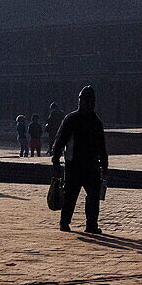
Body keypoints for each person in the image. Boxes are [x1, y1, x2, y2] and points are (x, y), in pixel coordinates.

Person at [52, 85, 108, 235]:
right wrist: (56, 158)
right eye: (88, 101)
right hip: (74, 164)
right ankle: (64, 222)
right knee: (71, 195)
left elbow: (101, 146)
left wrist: (104, 165)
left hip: (91, 164)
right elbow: (60, 140)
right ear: (81, 102)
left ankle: (91, 224)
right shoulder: (71, 119)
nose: (90, 104)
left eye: (92, 102)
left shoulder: (95, 121)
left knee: (93, 196)